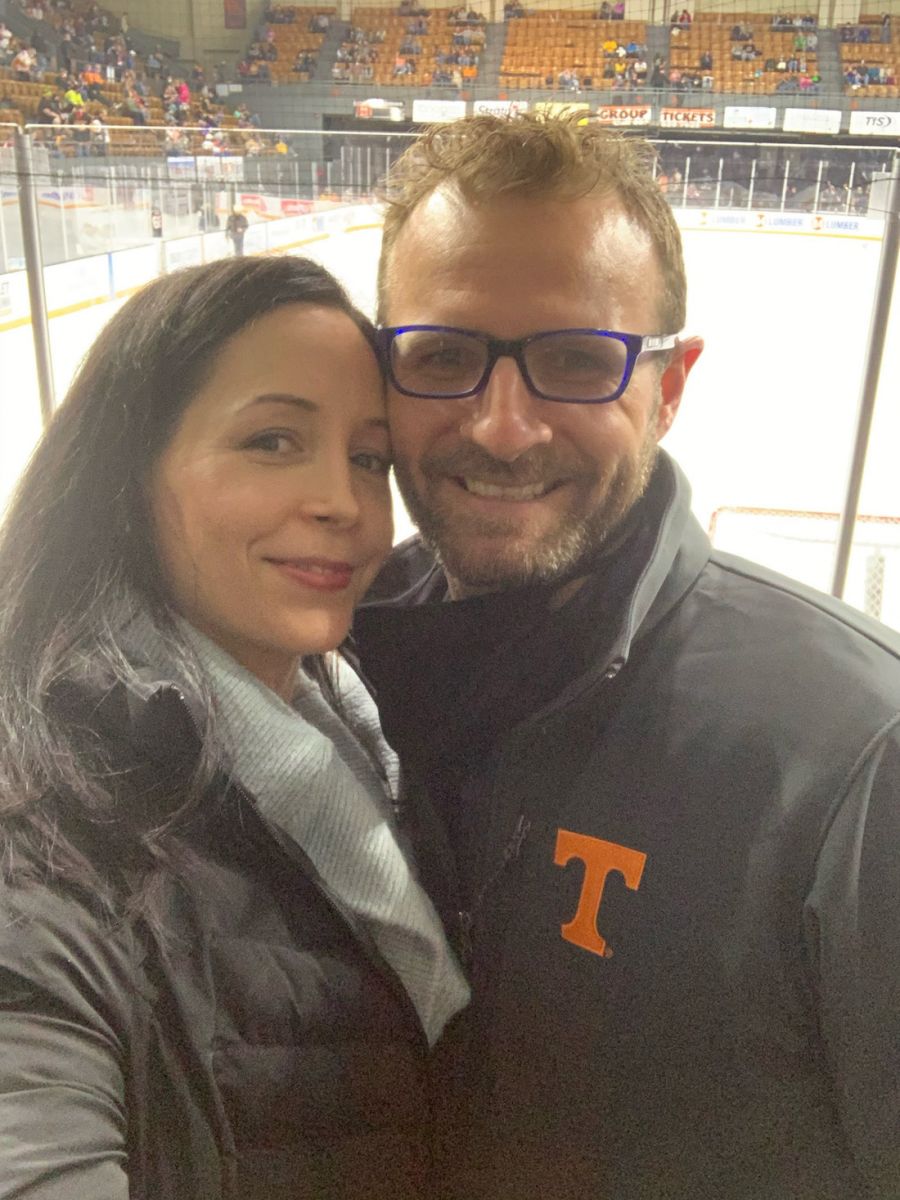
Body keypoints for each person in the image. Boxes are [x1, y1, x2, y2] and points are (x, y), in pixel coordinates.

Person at [353, 114, 900, 1199]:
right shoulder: (316, 671)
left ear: (672, 384)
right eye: (444, 358)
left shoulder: (859, 753)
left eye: (573, 361)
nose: (503, 427)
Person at [0, 256, 469, 1199]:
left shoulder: (354, 720)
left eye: (368, 458)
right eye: (271, 441)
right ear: (130, 474)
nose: (342, 500)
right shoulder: (46, 825)